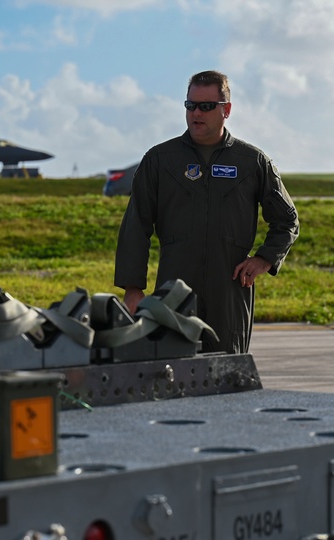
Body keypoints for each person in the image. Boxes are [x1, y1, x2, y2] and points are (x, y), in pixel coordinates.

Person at [114, 70, 300, 354]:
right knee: (171, 371)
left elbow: (287, 220)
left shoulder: (252, 162)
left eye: (206, 106)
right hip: (174, 292)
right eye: (190, 105)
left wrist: (265, 259)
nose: (196, 113)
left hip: (229, 292)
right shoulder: (160, 160)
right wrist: (132, 288)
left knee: (227, 373)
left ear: (226, 110)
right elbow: (136, 226)